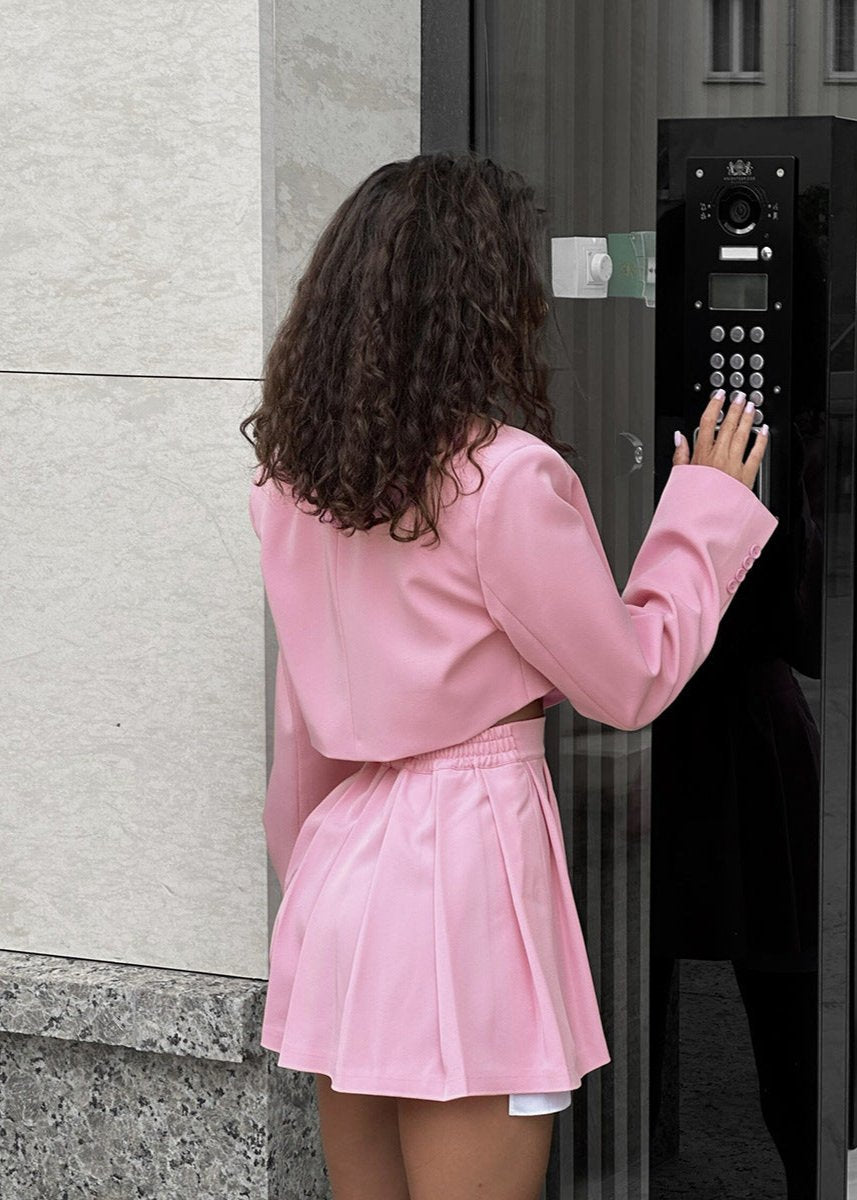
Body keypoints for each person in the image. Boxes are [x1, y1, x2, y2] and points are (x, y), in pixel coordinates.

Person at [240, 151, 776, 1200]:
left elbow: (298, 735)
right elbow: (624, 685)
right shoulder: (503, 479)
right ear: (479, 301)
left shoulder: (293, 485)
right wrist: (701, 512)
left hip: (341, 872)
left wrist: (309, 891)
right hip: (465, 875)